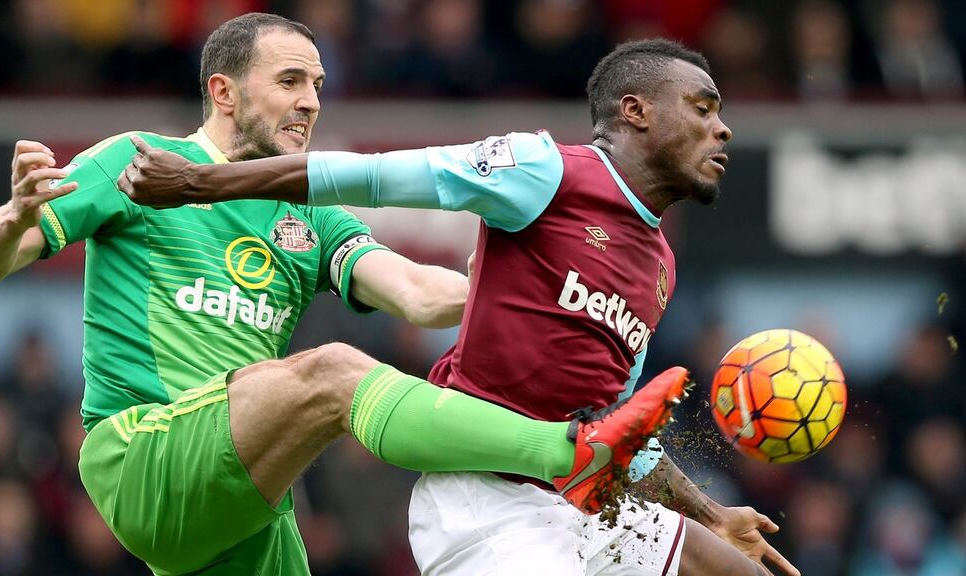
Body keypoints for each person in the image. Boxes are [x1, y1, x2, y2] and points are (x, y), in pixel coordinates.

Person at [0, 14, 686, 576]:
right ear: (223, 91)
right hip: (145, 452)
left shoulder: (308, 216)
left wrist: (538, 292)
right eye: (290, 82)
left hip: (244, 487)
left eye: (317, 86)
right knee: (334, 371)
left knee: (327, 382)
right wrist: (13, 217)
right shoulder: (141, 163)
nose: (310, 102)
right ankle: (568, 453)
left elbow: (415, 292)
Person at [120, 38, 802, 576]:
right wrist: (202, 181)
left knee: (728, 567)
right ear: (636, 110)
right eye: (704, 108)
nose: (724, 131)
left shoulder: (660, 264)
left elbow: (615, 429)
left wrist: (711, 514)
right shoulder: (546, 170)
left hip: (578, 497)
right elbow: (370, 176)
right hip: (487, 502)